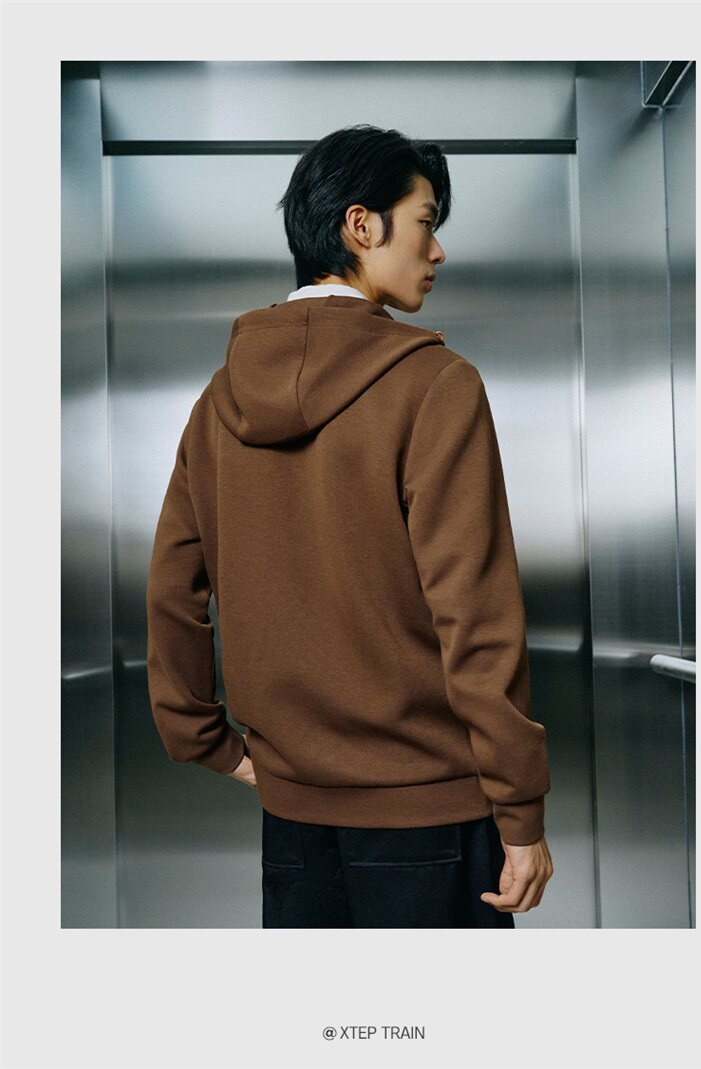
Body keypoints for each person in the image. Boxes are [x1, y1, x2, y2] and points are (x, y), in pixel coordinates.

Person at [146, 124, 553, 928]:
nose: (438, 250)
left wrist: (206, 738)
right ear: (361, 226)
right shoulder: (437, 385)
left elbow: (172, 588)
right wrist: (521, 809)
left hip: (292, 814)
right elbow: (474, 615)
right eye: (426, 222)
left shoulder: (218, 401)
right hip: (431, 812)